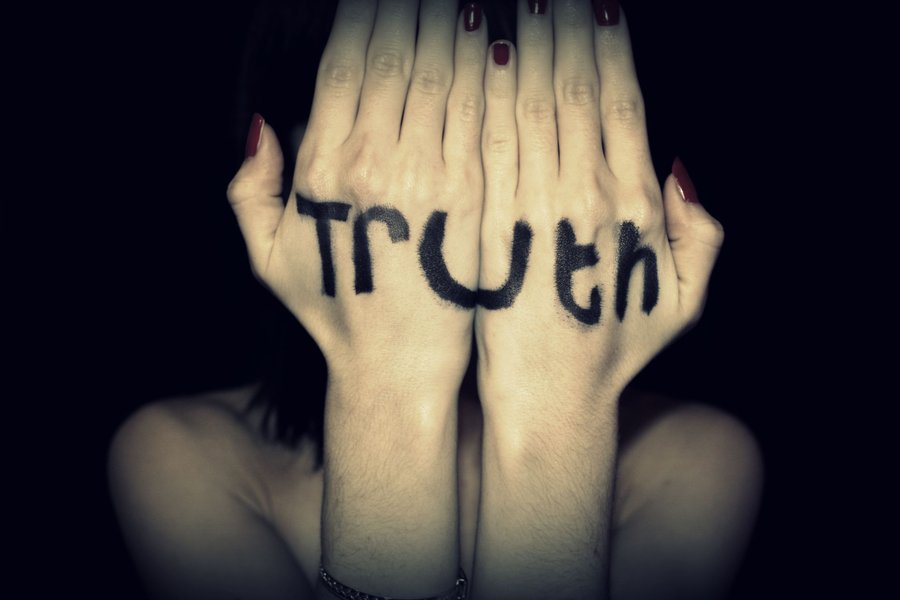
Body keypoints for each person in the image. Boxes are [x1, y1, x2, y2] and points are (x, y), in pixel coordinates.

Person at [108, 1, 763, 598]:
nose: (442, 182)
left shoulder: (695, 466)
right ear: (290, 164)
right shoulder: (185, 460)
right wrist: (386, 376)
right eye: (398, 124)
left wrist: (557, 401)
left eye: (516, 131)